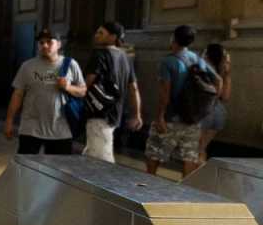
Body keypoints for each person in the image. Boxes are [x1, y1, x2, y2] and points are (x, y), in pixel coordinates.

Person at [145, 25, 220, 177]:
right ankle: (185, 192)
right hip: (192, 119)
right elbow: (218, 80)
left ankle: (147, 187)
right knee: (189, 157)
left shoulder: (167, 62)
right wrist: (209, 105)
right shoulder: (196, 59)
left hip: (171, 118)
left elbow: (164, 94)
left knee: (154, 154)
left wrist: (160, 117)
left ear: (173, 38)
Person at [4, 29, 86, 155]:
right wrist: (9, 121)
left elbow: (82, 91)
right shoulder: (27, 66)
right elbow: (17, 94)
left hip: (61, 130)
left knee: (59, 171)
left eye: (49, 42)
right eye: (41, 42)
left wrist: (68, 87)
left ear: (59, 44)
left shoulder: (70, 64)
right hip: (30, 129)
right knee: (27, 169)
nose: (44, 45)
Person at [82, 22, 142, 163]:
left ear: (113, 37)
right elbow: (134, 88)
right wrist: (137, 114)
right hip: (115, 113)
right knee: (94, 150)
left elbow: (86, 84)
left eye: (101, 33)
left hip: (99, 112)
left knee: (101, 158)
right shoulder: (126, 57)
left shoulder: (99, 55)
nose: (96, 35)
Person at [198, 43, 232, 164]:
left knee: (196, 151)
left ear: (206, 55)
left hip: (204, 113)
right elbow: (226, 97)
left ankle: (193, 180)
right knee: (201, 149)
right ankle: (200, 179)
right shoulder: (222, 74)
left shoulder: (203, 71)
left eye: (203, 53)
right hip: (219, 114)